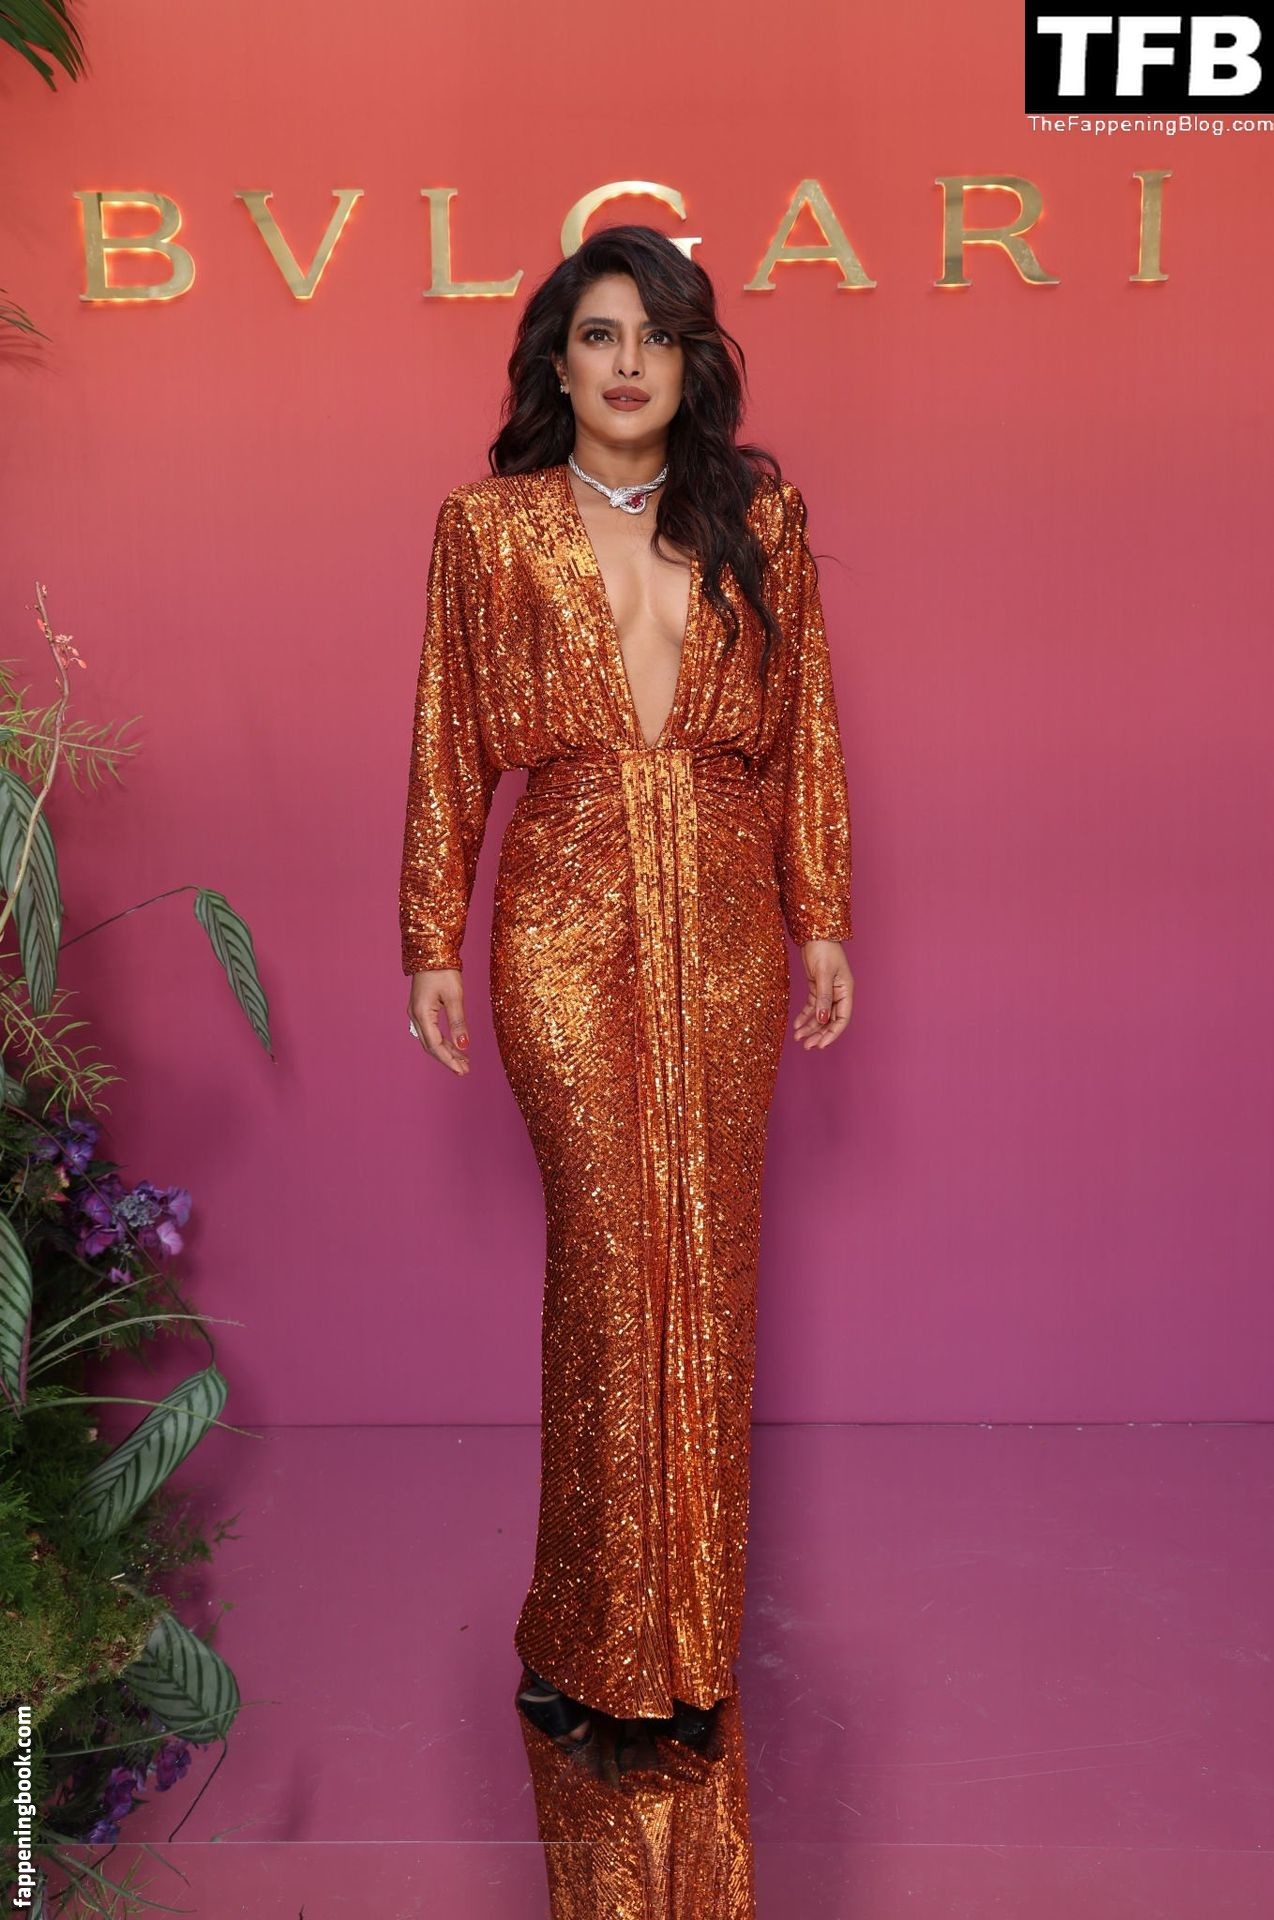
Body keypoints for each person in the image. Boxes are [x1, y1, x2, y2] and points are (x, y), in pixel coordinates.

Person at [399, 224, 854, 1764]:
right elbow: (447, 739)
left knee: (704, 1268)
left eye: (656, 335)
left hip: (725, 924)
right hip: (562, 921)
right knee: (608, 1263)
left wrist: (821, 915)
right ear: (557, 358)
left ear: (692, 362)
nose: (628, 362)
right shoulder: (488, 529)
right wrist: (428, 934)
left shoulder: (761, 518)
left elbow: (805, 731)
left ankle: (689, 1641)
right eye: (599, 334)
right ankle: (591, 1636)